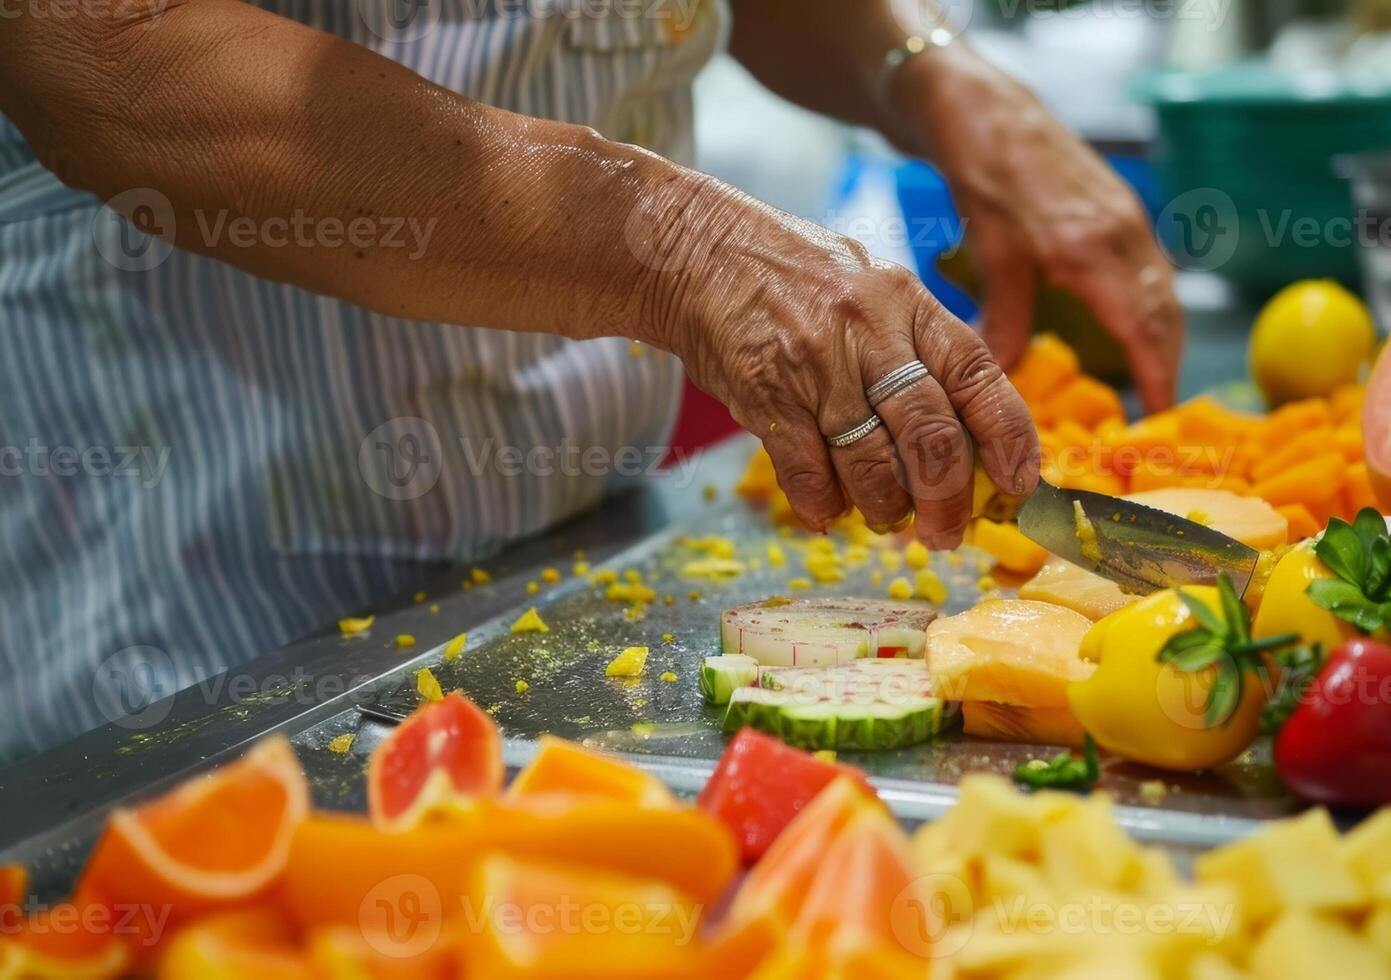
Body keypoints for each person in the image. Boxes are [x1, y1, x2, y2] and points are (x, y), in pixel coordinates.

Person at [0, 0, 1184, 760]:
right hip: (188, 565)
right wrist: (680, 247)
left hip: (554, 547)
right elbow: (99, 47)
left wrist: (929, 74)